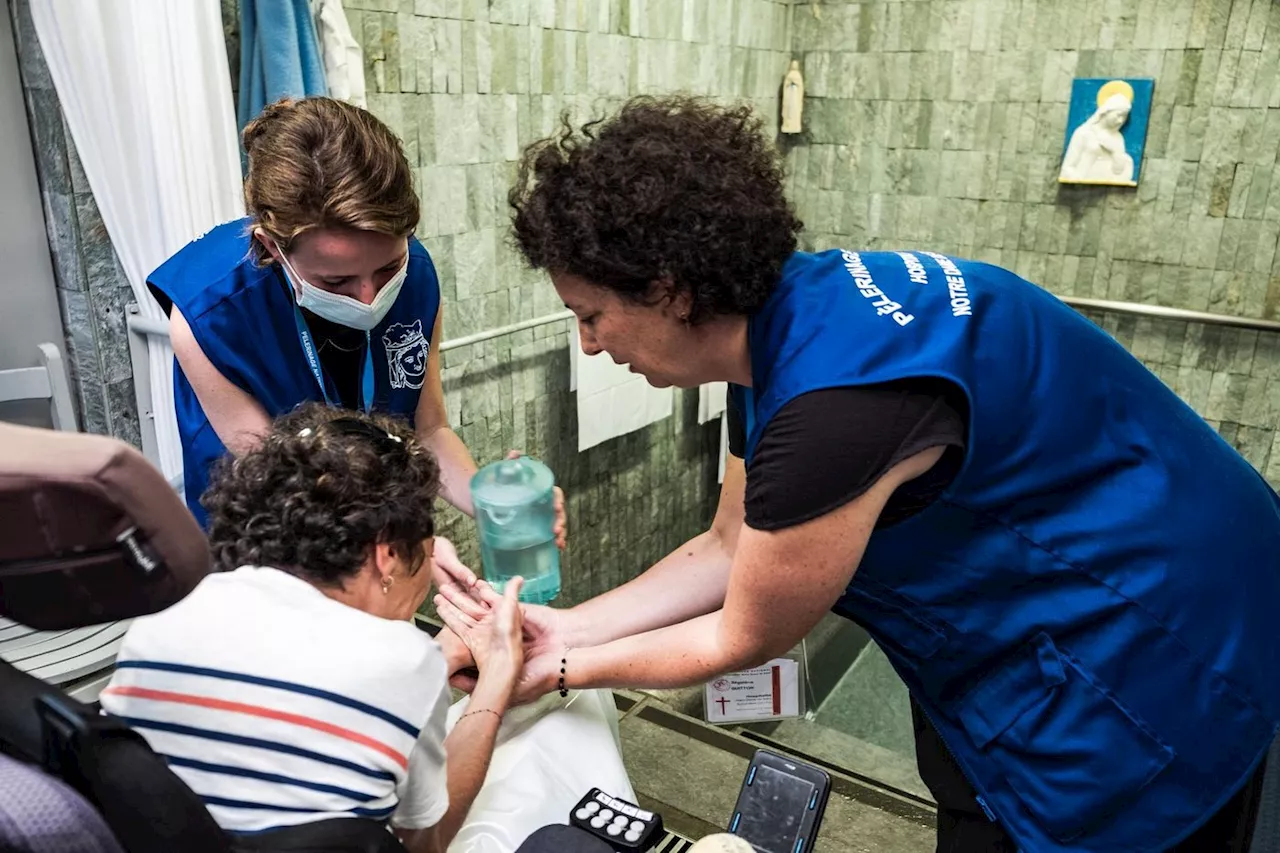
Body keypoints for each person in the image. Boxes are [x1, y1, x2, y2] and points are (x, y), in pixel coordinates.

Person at [438, 95, 1280, 853]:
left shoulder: (832, 409)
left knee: (1105, 811)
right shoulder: (790, 316)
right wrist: (569, 626)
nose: (589, 345)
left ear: (671, 290)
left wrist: (548, 669)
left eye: (591, 315)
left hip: (1159, 632)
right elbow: (730, 545)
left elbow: (744, 634)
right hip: (1118, 555)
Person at [146, 96, 565, 571]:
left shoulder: (418, 276)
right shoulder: (210, 313)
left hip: (374, 533)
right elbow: (282, 490)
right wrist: (401, 544)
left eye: (387, 269)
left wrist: (496, 509)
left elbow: (429, 429)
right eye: (336, 282)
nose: (368, 298)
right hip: (265, 549)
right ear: (271, 246)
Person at [98, 404, 525, 852]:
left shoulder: (162, 618)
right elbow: (424, 841)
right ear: (387, 555)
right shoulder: (406, 663)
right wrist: (496, 675)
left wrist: (443, 659)